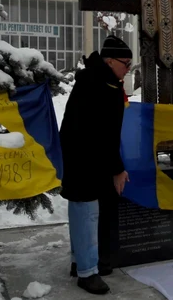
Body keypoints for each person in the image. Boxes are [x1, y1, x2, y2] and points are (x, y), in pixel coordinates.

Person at [59, 35, 132, 295]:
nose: (128, 69)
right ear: (110, 61)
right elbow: (105, 134)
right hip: (87, 161)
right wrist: (117, 169)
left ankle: (80, 262)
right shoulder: (103, 86)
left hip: (81, 158)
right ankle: (88, 273)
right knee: (87, 215)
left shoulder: (94, 79)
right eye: (126, 64)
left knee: (80, 212)